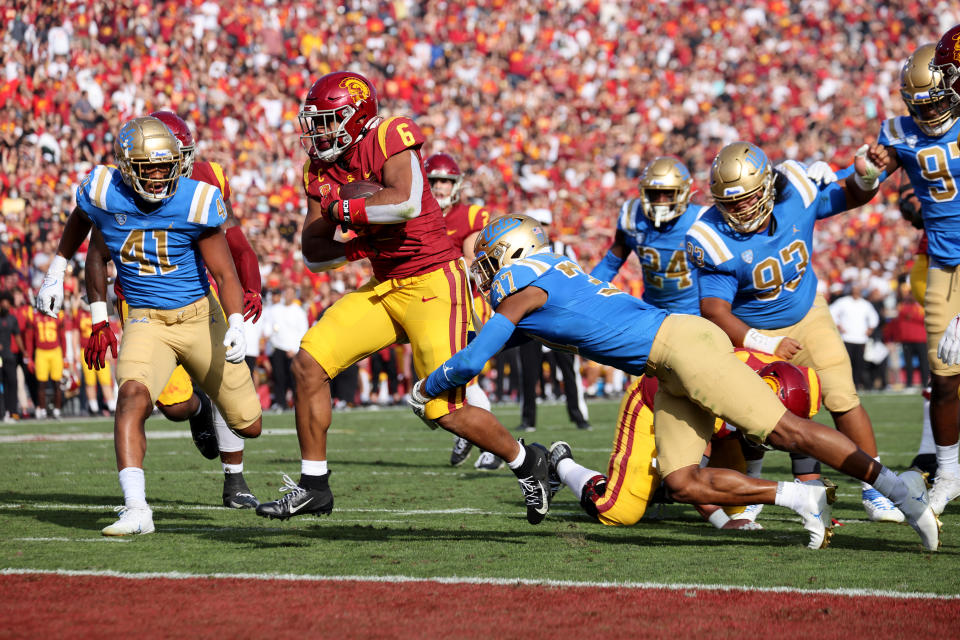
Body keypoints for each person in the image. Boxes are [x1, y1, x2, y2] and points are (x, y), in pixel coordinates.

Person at [410, 214, 940, 551]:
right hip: (666, 366)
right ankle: (800, 499)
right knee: (684, 481)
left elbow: (474, 360)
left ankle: (902, 492)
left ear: (514, 254)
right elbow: (509, 341)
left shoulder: (525, 286)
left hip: (681, 347)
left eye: (490, 260)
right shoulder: (549, 283)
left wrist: (428, 386)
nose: (484, 272)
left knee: (787, 431)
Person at [255, 71, 551, 525]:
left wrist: (345, 209)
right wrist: (356, 240)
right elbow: (314, 253)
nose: (321, 132)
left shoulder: (391, 134)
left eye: (331, 121)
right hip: (386, 284)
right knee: (309, 363)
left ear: (358, 118)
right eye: (317, 123)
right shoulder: (319, 169)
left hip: (434, 282)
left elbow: (407, 200)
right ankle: (314, 485)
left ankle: (527, 462)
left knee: (443, 410)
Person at [35, 116, 262, 535]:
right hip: (142, 316)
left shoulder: (198, 196)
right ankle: (137, 508)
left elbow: (227, 268)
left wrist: (234, 322)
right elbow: (84, 227)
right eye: (149, 168)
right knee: (134, 397)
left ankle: (222, 439)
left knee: (252, 423)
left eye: (167, 165)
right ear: (126, 166)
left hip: (198, 314)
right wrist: (59, 268)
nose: (159, 178)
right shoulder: (105, 190)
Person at [685, 141, 904, 523]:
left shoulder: (797, 193)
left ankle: (876, 490)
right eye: (729, 202)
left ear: (768, 186)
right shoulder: (711, 237)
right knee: (750, 414)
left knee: (842, 396)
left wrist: (866, 177)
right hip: (749, 329)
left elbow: (851, 194)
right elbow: (714, 309)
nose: (738, 209)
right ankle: (749, 489)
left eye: (747, 198)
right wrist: (762, 341)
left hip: (807, 315)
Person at [547, 351, 822, 530]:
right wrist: (721, 522)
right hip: (654, 403)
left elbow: (800, 438)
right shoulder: (716, 395)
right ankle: (561, 463)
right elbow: (688, 478)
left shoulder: (795, 381)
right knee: (621, 511)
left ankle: (656, 487)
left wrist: (819, 503)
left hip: (709, 408)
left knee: (738, 505)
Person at [872, 34, 960, 516]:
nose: (928, 115)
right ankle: (947, 473)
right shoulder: (899, 133)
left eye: (935, 103)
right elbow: (865, 182)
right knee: (944, 377)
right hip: (943, 266)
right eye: (918, 106)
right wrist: (871, 170)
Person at [425, 151, 501, 470]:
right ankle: (468, 432)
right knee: (439, 379)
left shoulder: (471, 216)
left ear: (456, 185)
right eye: (435, 180)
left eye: (446, 180)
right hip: (433, 307)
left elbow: (474, 264)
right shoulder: (418, 215)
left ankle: (491, 446)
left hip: (465, 304)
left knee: (464, 380)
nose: (440, 186)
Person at [591, 156, 707, 315]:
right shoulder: (632, 216)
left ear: (683, 193)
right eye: (654, 194)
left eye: (668, 194)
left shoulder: (700, 220)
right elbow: (610, 263)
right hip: (652, 311)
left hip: (695, 312)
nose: (661, 201)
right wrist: (585, 292)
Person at [515, 208, 591, 434]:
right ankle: (528, 419)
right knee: (528, 371)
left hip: (559, 317)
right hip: (531, 318)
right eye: (539, 224)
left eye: (545, 224)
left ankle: (579, 416)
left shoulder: (564, 250)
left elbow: (578, 279)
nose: (543, 229)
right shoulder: (520, 252)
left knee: (568, 369)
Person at [829, 283, 879, 391]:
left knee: (859, 363)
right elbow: (831, 312)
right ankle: (845, 384)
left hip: (861, 338)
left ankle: (856, 384)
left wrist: (870, 328)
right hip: (846, 338)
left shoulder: (865, 304)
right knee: (846, 363)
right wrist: (838, 325)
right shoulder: (843, 302)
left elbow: (874, 317)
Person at [32, 305, 66, 419]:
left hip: (55, 350)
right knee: (41, 383)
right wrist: (29, 357)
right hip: (41, 351)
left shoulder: (57, 315)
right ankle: (42, 410)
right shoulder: (34, 316)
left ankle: (57, 409)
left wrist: (64, 355)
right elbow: (29, 337)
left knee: (57, 383)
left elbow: (62, 336)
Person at [0, 291, 27, 423]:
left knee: (12, 383)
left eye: (7, 302)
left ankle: (12, 412)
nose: (4, 305)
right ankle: (3, 411)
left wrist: (24, 351)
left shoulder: (12, 319)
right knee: (2, 385)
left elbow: (17, 336)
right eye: (3, 302)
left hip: (9, 356)